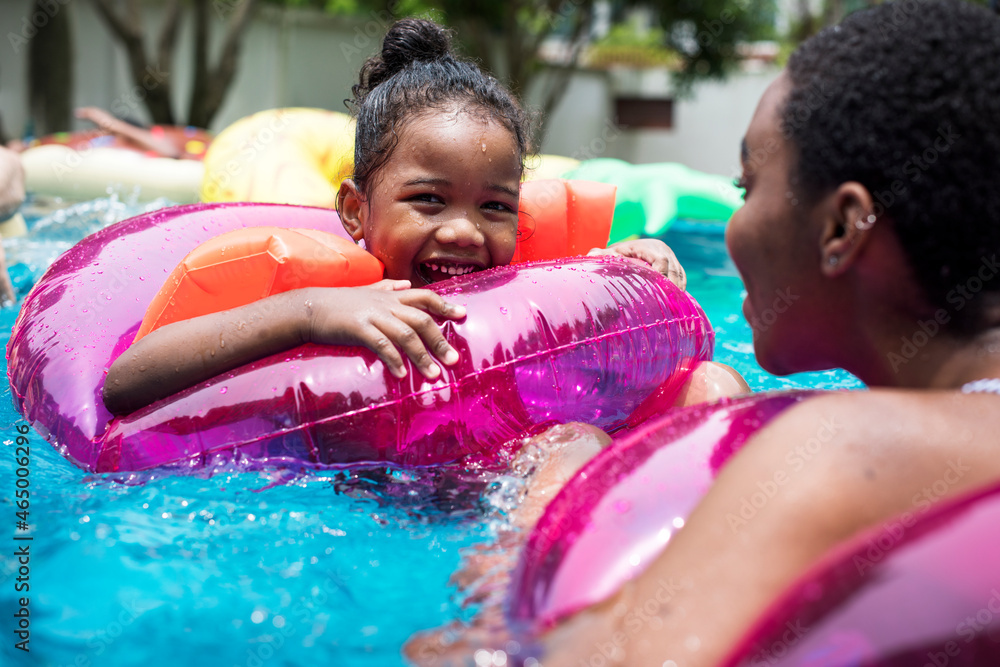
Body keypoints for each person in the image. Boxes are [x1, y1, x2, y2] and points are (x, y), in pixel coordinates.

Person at [405, 1, 1000, 665]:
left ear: (840, 228)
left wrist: (543, 504)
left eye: (746, 188)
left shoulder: (837, 449)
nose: (731, 228)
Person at [102, 19, 734, 416]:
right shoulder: (319, 296)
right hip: (363, 497)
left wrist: (627, 268)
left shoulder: (523, 282)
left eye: (495, 207)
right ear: (354, 210)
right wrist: (312, 311)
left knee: (715, 383)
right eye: (428, 200)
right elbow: (125, 383)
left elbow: (582, 290)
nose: (464, 231)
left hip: (495, 466)